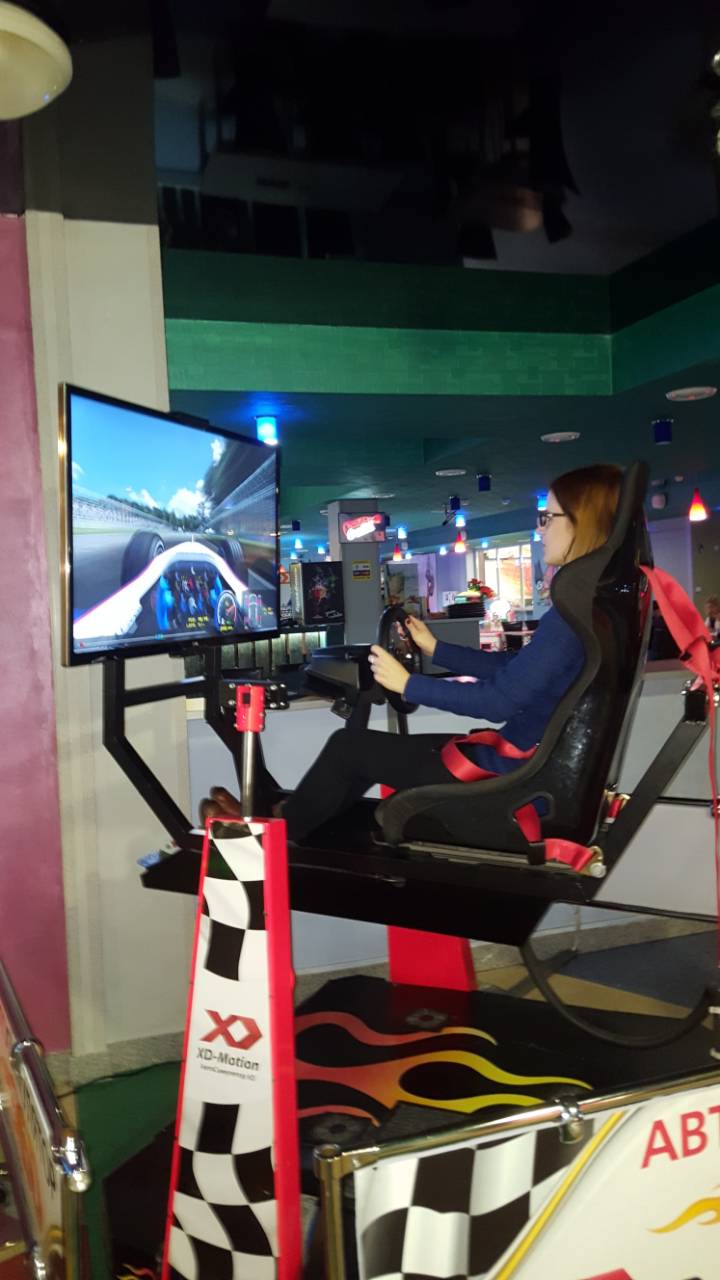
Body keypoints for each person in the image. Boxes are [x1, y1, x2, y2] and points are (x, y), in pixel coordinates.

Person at [201, 464, 622, 843]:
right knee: (359, 754)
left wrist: (408, 684)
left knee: (349, 748)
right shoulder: (587, 612)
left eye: (549, 518)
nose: (541, 529)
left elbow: (498, 701)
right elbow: (512, 669)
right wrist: (438, 649)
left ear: (583, 524)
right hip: (519, 768)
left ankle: (272, 837)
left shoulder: (571, 619)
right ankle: (285, 816)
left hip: (510, 781)